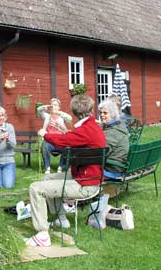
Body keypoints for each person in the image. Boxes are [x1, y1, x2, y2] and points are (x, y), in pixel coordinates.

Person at [26, 94, 106, 247]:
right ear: (91, 108)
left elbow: (63, 141)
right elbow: (70, 137)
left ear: (74, 112)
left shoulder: (85, 130)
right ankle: (60, 218)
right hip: (87, 177)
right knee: (47, 179)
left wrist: (45, 134)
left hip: (85, 184)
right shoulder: (91, 127)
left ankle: (42, 235)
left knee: (35, 188)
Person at [37, 98, 72, 174]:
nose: (54, 106)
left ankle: (61, 167)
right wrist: (46, 107)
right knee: (44, 146)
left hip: (60, 142)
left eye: (56, 105)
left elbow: (70, 118)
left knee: (68, 147)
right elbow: (39, 110)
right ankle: (47, 168)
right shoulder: (47, 116)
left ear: (59, 107)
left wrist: (58, 112)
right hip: (49, 142)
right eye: (52, 105)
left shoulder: (62, 118)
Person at [98, 100, 129, 179]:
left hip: (112, 170)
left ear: (112, 114)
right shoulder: (118, 125)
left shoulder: (113, 132)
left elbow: (102, 152)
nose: (101, 115)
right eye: (100, 113)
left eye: (105, 113)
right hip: (117, 165)